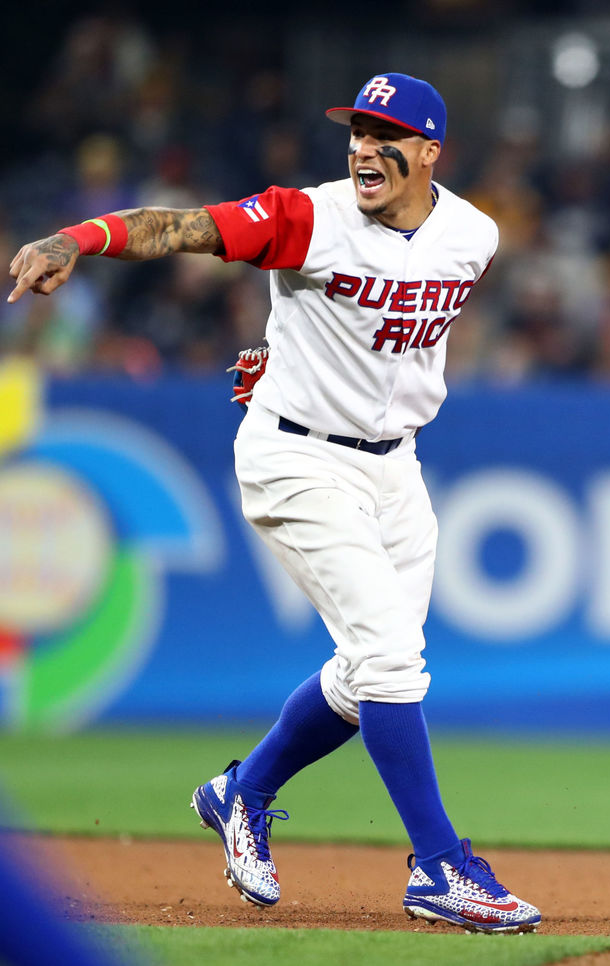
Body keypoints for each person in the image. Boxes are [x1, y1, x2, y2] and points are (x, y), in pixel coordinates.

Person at [8, 72, 541, 935]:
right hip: (296, 458)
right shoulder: (307, 216)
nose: (365, 147)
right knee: (393, 661)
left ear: (430, 152)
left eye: (386, 133)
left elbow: (390, 334)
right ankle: (441, 866)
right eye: (357, 131)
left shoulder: (473, 236)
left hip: (395, 467)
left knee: (366, 670)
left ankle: (242, 790)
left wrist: (286, 350)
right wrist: (79, 237)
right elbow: (178, 226)